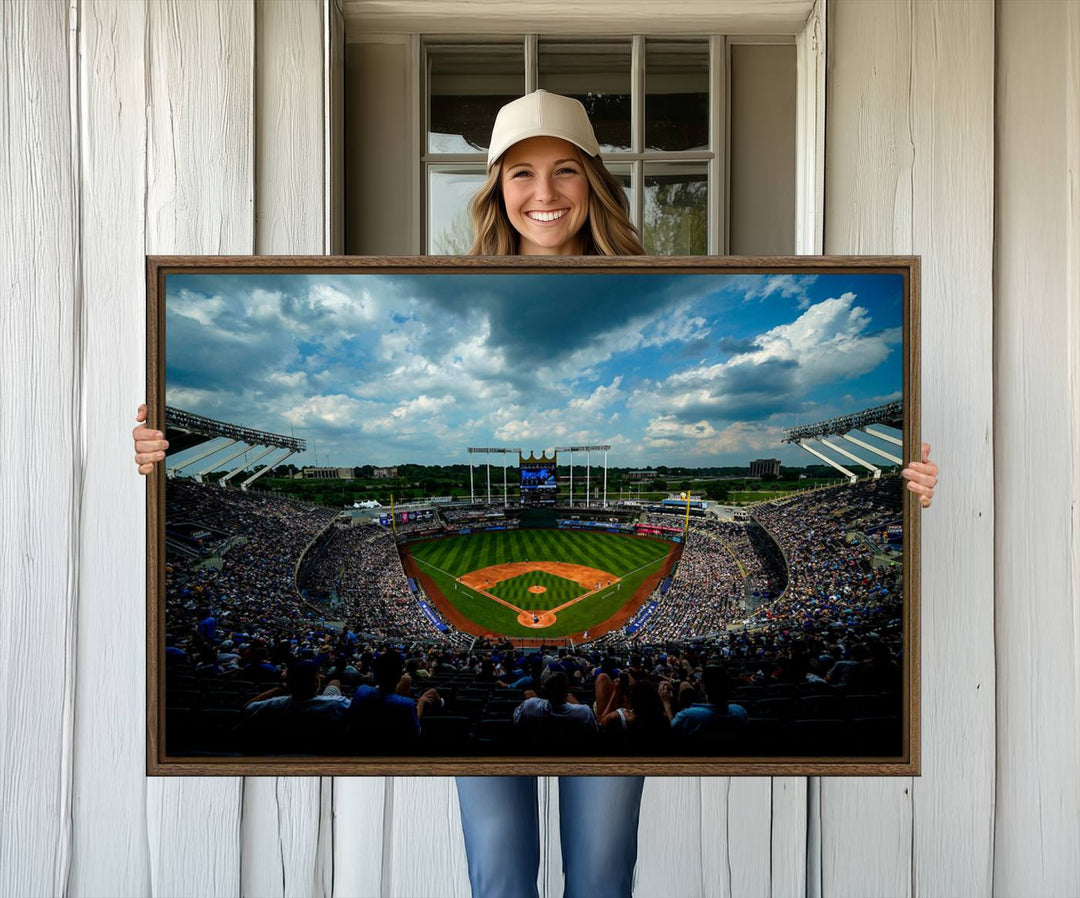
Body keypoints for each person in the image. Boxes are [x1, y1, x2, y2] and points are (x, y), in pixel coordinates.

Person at [132, 89, 940, 898]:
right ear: (495, 188)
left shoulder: (662, 281)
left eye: (564, 171)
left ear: (594, 181)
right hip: (562, 713)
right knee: (500, 875)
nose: (544, 193)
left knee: (600, 874)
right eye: (521, 173)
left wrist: (900, 485)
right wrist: (161, 454)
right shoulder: (448, 286)